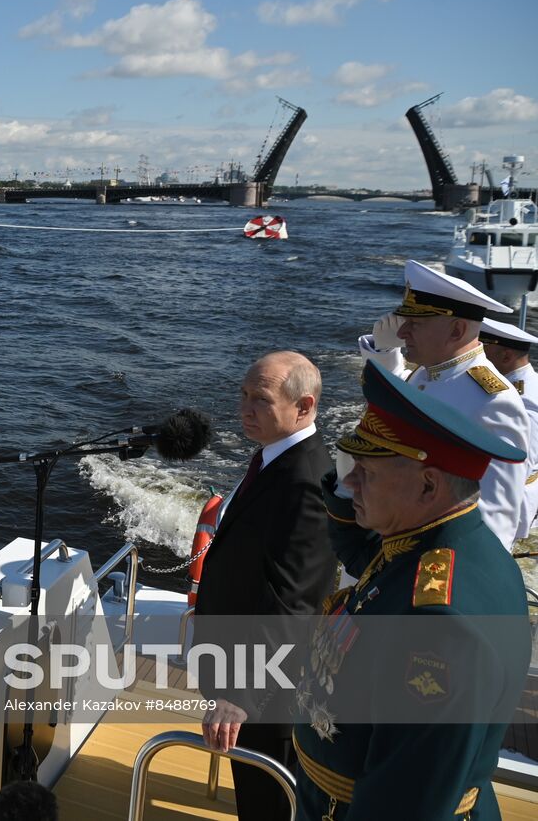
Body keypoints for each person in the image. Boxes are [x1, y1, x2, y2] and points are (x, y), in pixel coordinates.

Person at [301, 360, 529, 820]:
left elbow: (404, 800)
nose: (350, 481)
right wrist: (352, 488)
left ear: (428, 486)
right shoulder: (436, 545)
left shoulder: (440, 624)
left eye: (366, 470)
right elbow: (369, 557)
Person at [195, 351, 333, 821]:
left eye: (261, 399)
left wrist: (241, 694)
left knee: (268, 801)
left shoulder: (306, 483)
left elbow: (292, 601)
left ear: (304, 406)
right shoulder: (279, 461)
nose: (245, 408)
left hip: (268, 689)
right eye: (243, 395)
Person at [358, 260, 530, 548]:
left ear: (456, 331)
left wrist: (462, 586)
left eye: (415, 323)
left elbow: (495, 518)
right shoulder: (424, 374)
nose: (402, 333)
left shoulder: (493, 400)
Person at [480, 316, 538, 539]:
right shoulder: (513, 388)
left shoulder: (525, 400)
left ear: (505, 356)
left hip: (508, 507)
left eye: (483, 349)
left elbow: (521, 463)